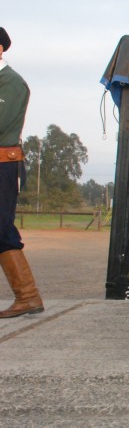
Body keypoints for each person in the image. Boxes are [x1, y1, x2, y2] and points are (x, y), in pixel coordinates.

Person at [0, 27, 45, 319]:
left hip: (4, 164)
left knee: (1, 227)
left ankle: (28, 296)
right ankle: (27, 297)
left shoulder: (12, 83)